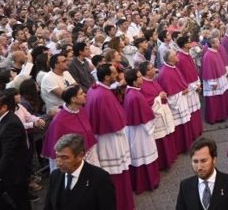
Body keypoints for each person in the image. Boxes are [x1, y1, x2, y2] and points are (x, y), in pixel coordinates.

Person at [85, 64, 134, 210]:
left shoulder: (95, 89)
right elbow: (115, 124)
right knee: (116, 172)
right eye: (113, 73)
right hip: (111, 140)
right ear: (106, 77)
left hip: (104, 137)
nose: (117, 75)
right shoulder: (103, 95)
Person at [0, 92, 31, 210]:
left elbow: (8, 154)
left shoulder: (11, 124)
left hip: (13, 175)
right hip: (1, 172)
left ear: (4, 107)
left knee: (21, 203)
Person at [44, 133, 116, 210]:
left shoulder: (100, 179)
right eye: (57, 156)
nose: (59, 163)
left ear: (80, 156)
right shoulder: (55, 175)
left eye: (64, 157)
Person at [176, 137, 228, 210]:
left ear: (214, 160)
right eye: (195, 161)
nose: (199, 167)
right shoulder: (185, 186)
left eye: (203, 161)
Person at [41, 84, 99, 170]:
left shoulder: (81, 110)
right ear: (73, 99)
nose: (85, 95)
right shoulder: (59, 121)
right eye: (81, 93)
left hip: (89, 155)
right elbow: (57, 151)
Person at [122, 69, 160, 194]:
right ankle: (148, 182)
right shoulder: (136, 95)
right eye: (139, 77)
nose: (141, 79)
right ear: (134, 81)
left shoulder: (130, 92)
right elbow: (146, 115)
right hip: (141, 131)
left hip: (135, 130)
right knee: (144, 154)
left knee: (138, 156)